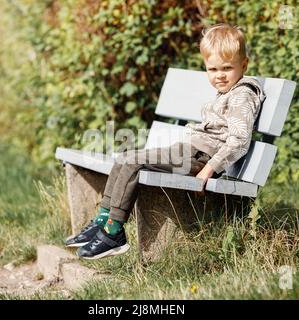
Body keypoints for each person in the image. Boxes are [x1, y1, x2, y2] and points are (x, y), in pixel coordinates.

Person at [65, 23, 266, 259]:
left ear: (244, 65)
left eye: (226, 68)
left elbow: (239, 140)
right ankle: (103, 222)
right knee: (125, 159)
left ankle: (113, 233)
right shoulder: (229, 91)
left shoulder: (243, 94)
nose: (219, 75)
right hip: (190, 151)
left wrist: (210, 169)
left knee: (131, 163)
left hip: (200, 159)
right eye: (212, 69)